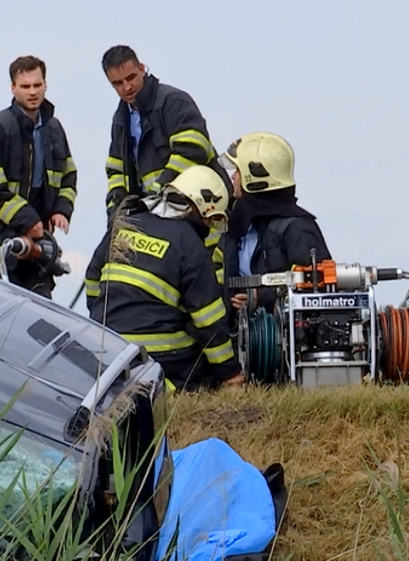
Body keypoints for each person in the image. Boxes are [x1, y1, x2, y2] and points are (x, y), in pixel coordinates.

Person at [85, 165, 245, 392]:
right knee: (205, 373)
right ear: (199, 208)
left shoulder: (126, 223)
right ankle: (165, 387)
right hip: (158, 354)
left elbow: (92, 282)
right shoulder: (190, 244)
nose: (209, 227)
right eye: (210, 219)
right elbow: (208, 321)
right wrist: (230, 373)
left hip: (107, 349)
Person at [0, 55, 77, 298]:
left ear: (45, 85)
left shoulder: (54, 130)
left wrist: (61, 210)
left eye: (37, 85)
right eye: (25, 86)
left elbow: (68, 175)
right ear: (13, 88)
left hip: (35, 257)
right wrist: (29, 221)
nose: (32, 92)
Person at [101, 45, 230, 215]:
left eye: (130, 77)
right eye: (118, 83)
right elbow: (116, 169)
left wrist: (159, 190)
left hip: (201, 210)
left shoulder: (173, 102)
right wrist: (116, 209)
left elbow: (193, 150)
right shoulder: (120, 119)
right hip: (158, 212)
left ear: (141, 69)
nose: (127, 87)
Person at [219, 131, 331, 313]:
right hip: (238, 333)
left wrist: (260, 299)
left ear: (255, 177)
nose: (232, 177)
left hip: (283, 337)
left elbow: (318, 292)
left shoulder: (298, 228)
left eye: (238, 171)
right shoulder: (236, 225)